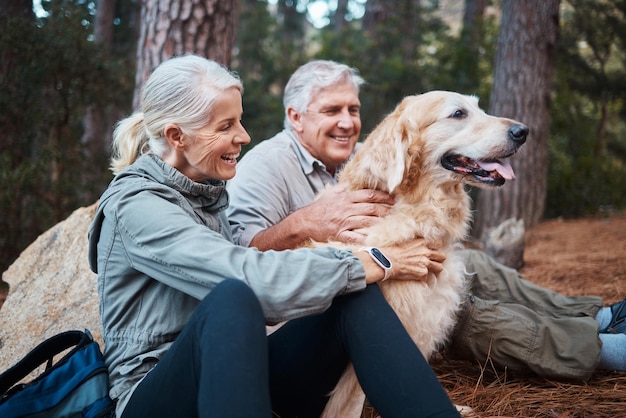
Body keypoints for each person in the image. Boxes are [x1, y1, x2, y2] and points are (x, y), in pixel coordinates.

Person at [87, 54, 461, 418]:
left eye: (239, 121)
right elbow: (247, 279)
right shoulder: (136, 206)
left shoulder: (206, 191)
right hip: (156, 393)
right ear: (176, 136)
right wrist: (375, 260)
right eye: (226, 126)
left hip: (238, 373)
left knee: (352, 295)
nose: (244, 136)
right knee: (234, 294)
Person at [226, 59, 626, 382]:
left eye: (353, 109)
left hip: (372, 269)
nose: (347, 121)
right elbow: (240, 256)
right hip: (314, 310)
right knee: (459, 306)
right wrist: (305, 223)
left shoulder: (371, 153)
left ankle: (599, 315)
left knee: (475, 265)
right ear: (295, 117)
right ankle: (600, 350)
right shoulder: (266, 164)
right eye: (332, 110)